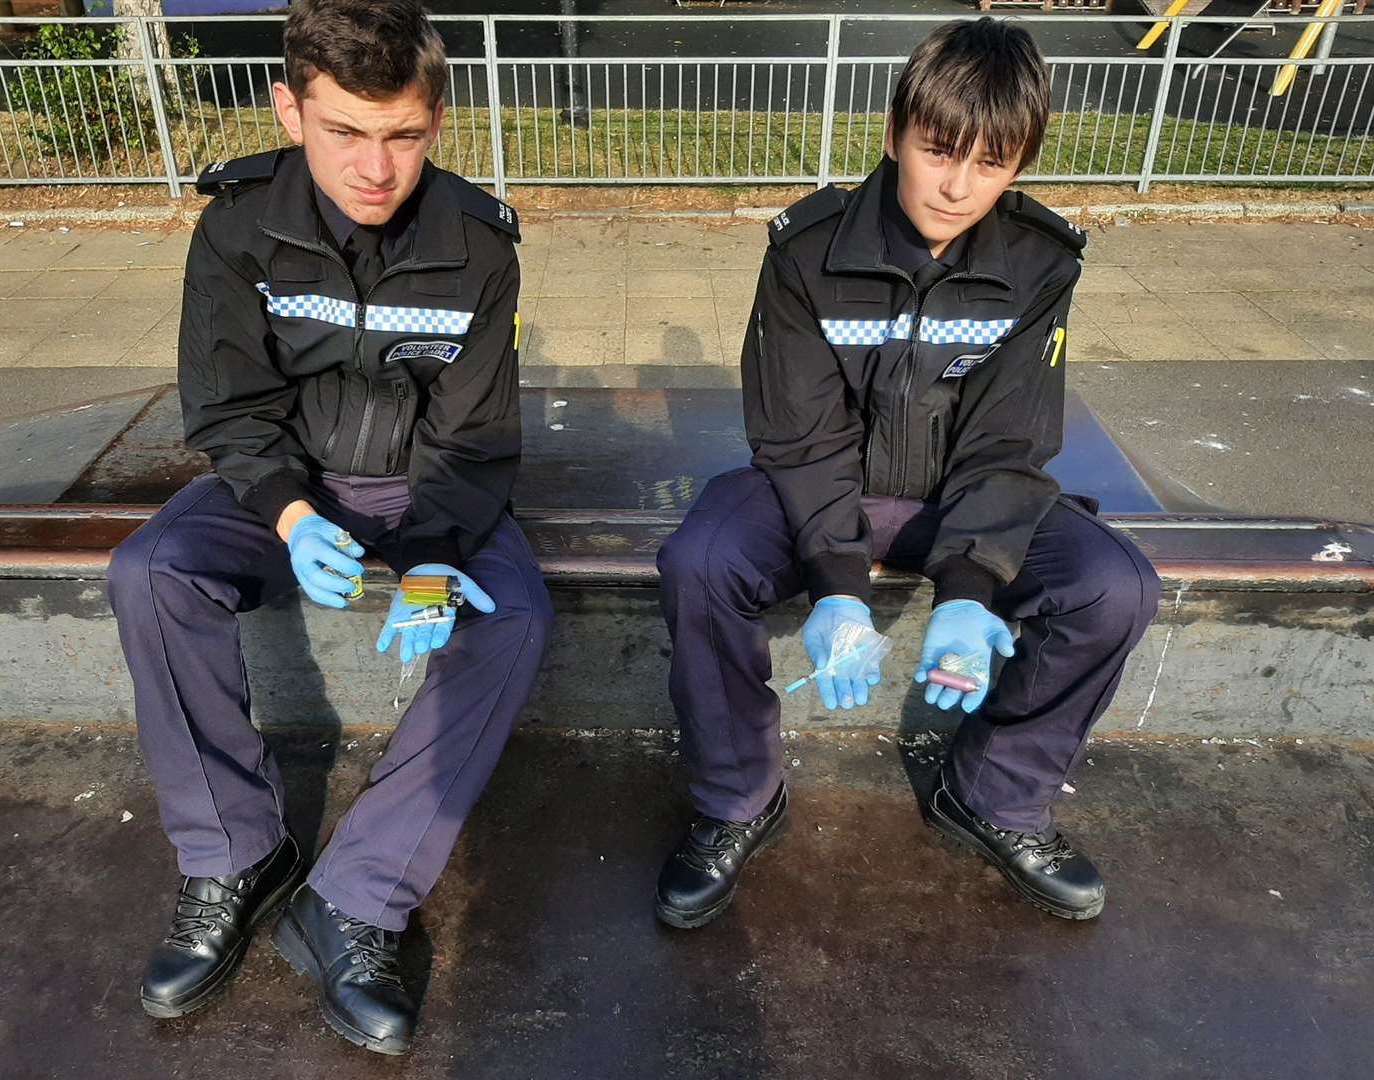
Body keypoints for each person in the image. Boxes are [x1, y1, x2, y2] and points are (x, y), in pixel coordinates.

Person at [106, 0, 550, 1056]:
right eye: (346, 130)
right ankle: (232, 860)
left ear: (436, 120)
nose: (376, 167)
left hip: (424, 490)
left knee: (516, 619)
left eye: (403, 134)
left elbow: (476, 431)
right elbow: (227, 405)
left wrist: (436, 556)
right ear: (290, 107)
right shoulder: (237, 222)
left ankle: (355, 898)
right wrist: (291, 511)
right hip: (283, 489)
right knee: (150, 572)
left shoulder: (479, 243)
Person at [653, 17, 1159, 930]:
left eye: (992, 164)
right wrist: (837, 586)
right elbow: (796, 436)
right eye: (937, 153)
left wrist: (969, 586)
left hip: (962, 500)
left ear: (1020, 165)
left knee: (1112, 586)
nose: (959, 187)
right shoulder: (806, 251)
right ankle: (737, 798)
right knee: (701, 560)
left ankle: (995, 796)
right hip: (822, 492)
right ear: (894, 135)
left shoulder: (1040, 263)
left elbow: (1010, 441)